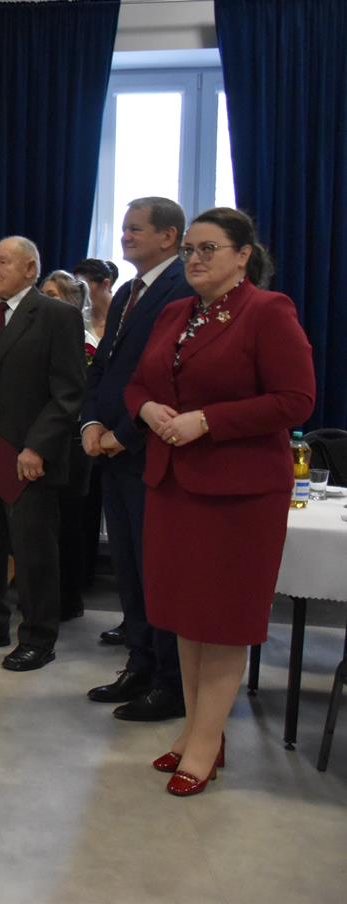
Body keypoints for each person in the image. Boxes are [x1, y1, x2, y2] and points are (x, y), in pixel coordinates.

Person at [125, 207, 314, 795]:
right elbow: (139, 382)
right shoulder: (176, 313)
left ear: (242, 256)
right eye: (189, 250)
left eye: (209, 249)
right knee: (188, 615)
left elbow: (296, 399)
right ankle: (196, 730)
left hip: (239, 493)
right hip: (174, 485)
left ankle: (207, 742)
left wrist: (208, 420)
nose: (196, 259)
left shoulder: (267, 311)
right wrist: (146, 408)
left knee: (224, 618)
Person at [0, 236, 85, 670]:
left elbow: (68, 392)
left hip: (28, 460)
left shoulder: (57, 316)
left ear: (30, 269)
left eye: (3, 262)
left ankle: (38, 637)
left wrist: (38, 446)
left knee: (32, 553)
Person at [81, 197, 192, 722]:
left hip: (149, 450)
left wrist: (124, 435)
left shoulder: (182, 288)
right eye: (123, 228)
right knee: (128, 567)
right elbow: (103, 367)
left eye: (135, 229)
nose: (124, 236)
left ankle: (170, 682)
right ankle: (139, 664)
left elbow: (167, 378)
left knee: (157, 571)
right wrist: (90, 424)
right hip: (112, 450)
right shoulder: (128, 291)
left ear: (168, 236)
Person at [40, 268, 98, 621]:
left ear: (72, 302)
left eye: (52, 296)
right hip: (42, 439)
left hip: (73, 442)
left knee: (69, 523)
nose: (44, 303)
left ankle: (68, 597)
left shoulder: (86, 343)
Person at [72, 258, 119, 341]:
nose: (79, 292)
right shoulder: (79, 319)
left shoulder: (123, 316)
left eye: (84, 286)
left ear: (105, 284)